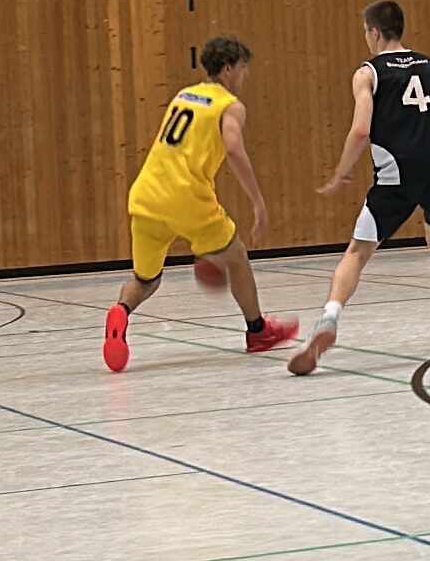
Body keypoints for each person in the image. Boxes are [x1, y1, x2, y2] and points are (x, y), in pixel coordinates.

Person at [290, 0, 430, 376]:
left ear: (374, 32)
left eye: (366, 32)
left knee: (357, 251)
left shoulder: (367, 73)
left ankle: (329, 319)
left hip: (399, 172)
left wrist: (340, 173)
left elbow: (361, 129)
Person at [102, 35, 295, 372]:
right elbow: (233, 148)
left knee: (146, 279)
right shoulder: (229, 105)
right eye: (243, 69)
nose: (245, 76)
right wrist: (258, 202)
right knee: (236, 257)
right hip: (188, 199)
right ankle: (258, 332)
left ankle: (120, 311)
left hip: (146, 196)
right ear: (228, 68)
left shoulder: (183, 95)